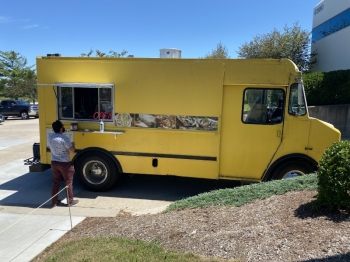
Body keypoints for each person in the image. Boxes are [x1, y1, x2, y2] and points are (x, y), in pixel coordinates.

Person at [47, 120, 79, 207]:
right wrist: (73, 145)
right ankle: (70, 201)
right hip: (65, 163)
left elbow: (49, 147)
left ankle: (54, 202)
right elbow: (71, 151)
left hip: (54, 162)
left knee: (56, 182)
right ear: (61, 128)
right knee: (68, 182)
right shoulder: (64, 138)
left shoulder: (50, 138)